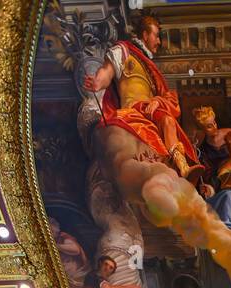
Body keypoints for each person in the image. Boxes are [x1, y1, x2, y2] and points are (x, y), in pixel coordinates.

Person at [82, 11, 203, 182]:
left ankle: (182, 167)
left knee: (168, 121)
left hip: (150, 111)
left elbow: (167, 98)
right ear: (145, 35)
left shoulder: (151, 69)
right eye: (156, 36)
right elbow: (107, 73)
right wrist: (97, 83)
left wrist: (157, 100)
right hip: (132, 112)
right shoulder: (123, 50)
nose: (159, 41)